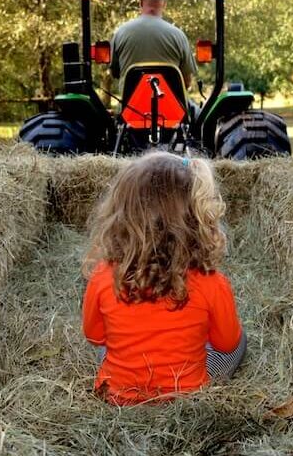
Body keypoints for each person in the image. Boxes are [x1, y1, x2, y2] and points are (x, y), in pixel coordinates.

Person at [81, 152, 246, 405]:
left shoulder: (103, 275)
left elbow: (93, 337)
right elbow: (226, 343)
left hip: (118, 397)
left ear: (121, 213)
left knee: (109, 344)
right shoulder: (211, 281)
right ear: (197, 218)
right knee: (238, 343)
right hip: (185, 397)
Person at [109, 0, 198, 91]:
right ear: (164, 4)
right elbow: (186, 81)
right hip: (169, 107)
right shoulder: (178, 35)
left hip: (130, 106)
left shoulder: (121, 33)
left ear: (141, 2)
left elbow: (115, 73)